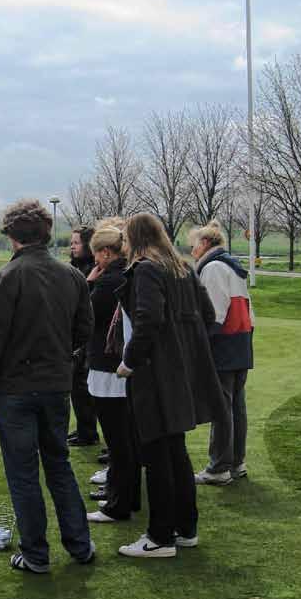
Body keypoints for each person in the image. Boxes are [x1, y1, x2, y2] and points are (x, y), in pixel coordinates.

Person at [0, 199, 95, 573]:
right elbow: (83, 331)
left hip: (16, 391)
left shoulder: (6, 279)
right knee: (59, 465)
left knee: (24, 473)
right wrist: (62, 361)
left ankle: (36, 554)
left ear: (11, 236)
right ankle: (80, 545)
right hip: (55, 386)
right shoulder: (71, 276)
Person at [114, 213, 225, 559]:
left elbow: (148, 319)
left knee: (158, 455)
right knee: (175, 453)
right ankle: (184, 528)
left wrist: (129, 361)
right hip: (181, 373)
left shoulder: (147, 268)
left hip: (155, 375)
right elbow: (208, 317)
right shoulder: (182, 268)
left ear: (133, 238)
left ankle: (160, 535)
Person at [83, 221, 142, 525]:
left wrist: (89, 284)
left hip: (107, 368)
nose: (94, 260)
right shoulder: (129, 275)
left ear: (106, 253)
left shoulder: (109, 282)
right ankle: (127, 497)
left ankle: (118, 504)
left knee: (118, 442)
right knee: (125, 439)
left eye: (96, 254)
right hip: (120, 366)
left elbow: (86, 318)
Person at [189, 220, 254, 484]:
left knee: (222, 406)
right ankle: (236, 462)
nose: (191, 250)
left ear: (205, 244)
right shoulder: (231, 266)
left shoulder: (214, 268)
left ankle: (219, 467)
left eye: (194, 245)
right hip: (240, 341)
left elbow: (213, 314)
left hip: (224, 344)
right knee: (235, 405)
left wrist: (199, 345)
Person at [68, 226, 100, 449]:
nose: (72, 246)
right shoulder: (75, 268)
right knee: (77, 386)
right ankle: (83, 428)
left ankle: (88, 432)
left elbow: (86, 304)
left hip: (89, 337)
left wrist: (87, 283)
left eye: (76, 242)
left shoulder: (94, 270)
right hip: (76, 336)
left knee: (82, 385)